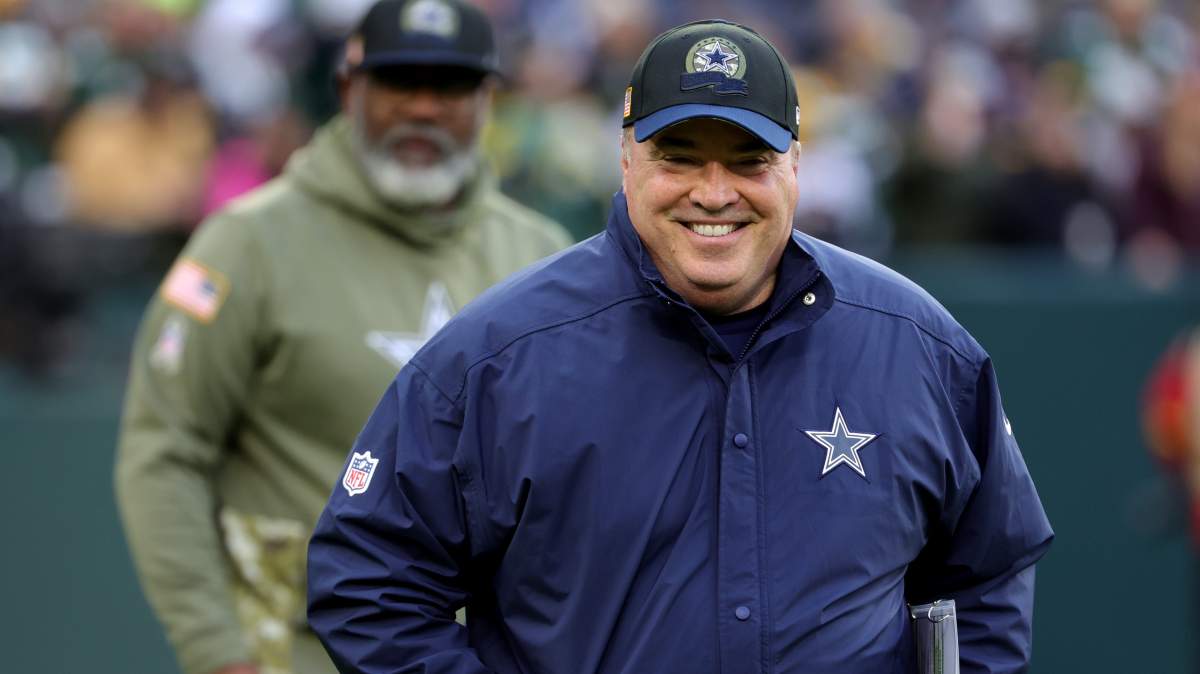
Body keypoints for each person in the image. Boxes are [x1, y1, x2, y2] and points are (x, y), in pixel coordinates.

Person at [307, 19, 1054, 674]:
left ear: (795, 165)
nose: (714, 192)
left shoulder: (916, 345)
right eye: (680, 156)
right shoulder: (498, 355)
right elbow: (369, 581)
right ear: (626, 159)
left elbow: (988, 569)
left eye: (749, 159)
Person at [114, 1, 571, 673]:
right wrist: (216, 651)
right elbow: (164, 452)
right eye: (397, 83)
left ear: (488, 100)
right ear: (348, 89)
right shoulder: (245, 245)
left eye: (449, 87)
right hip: (293, 651)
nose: (422, 109)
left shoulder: (540, 254)